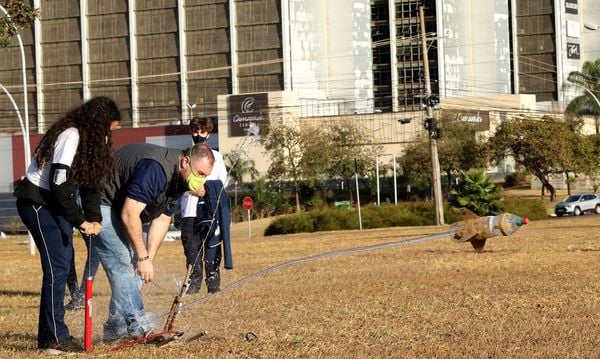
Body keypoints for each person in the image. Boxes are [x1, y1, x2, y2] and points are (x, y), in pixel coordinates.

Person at [14, 96, 121, 354]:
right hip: (37, 202)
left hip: (55, 204)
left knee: (63, 262)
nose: (109, 137)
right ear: (98, 125)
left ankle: (50, 336)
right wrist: (81, 221)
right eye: (108, 130)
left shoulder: (89, 147)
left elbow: (90, 187)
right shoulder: (71, 136)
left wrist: (95, 218)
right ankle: (54, 339)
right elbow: (59, 183)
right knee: (57, 267)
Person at [95, 142, 214, 343]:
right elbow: (129, 213)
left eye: (206, 176)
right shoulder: (156, 169)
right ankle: (139, 326)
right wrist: (142, 257)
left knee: (133, 266)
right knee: (123, 261)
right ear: (185, 161)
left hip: (121, 206)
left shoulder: (180, 179)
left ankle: (115, 329)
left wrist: (148, 258)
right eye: (200, 174)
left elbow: (162, 218)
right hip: (100, 202)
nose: (201, 182)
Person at [179, 116, 230, 294]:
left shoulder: (216, 157)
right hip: (189, 211)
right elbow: (177, 181)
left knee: (212, 248)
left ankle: (213, 285)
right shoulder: (184, 155)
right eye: (195, 131)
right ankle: (193, 285)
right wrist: (191, 190)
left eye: (202, 131)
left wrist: (207, 189)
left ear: (208, 134)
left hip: (209, 211)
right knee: (192, 250)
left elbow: (222, 181)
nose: (198, 134)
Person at [65, 233, 101, 310]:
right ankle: (75, 295)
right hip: (64, 221)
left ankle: (82, 295)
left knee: (94, 250)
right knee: (66, 248)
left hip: (87, 221)